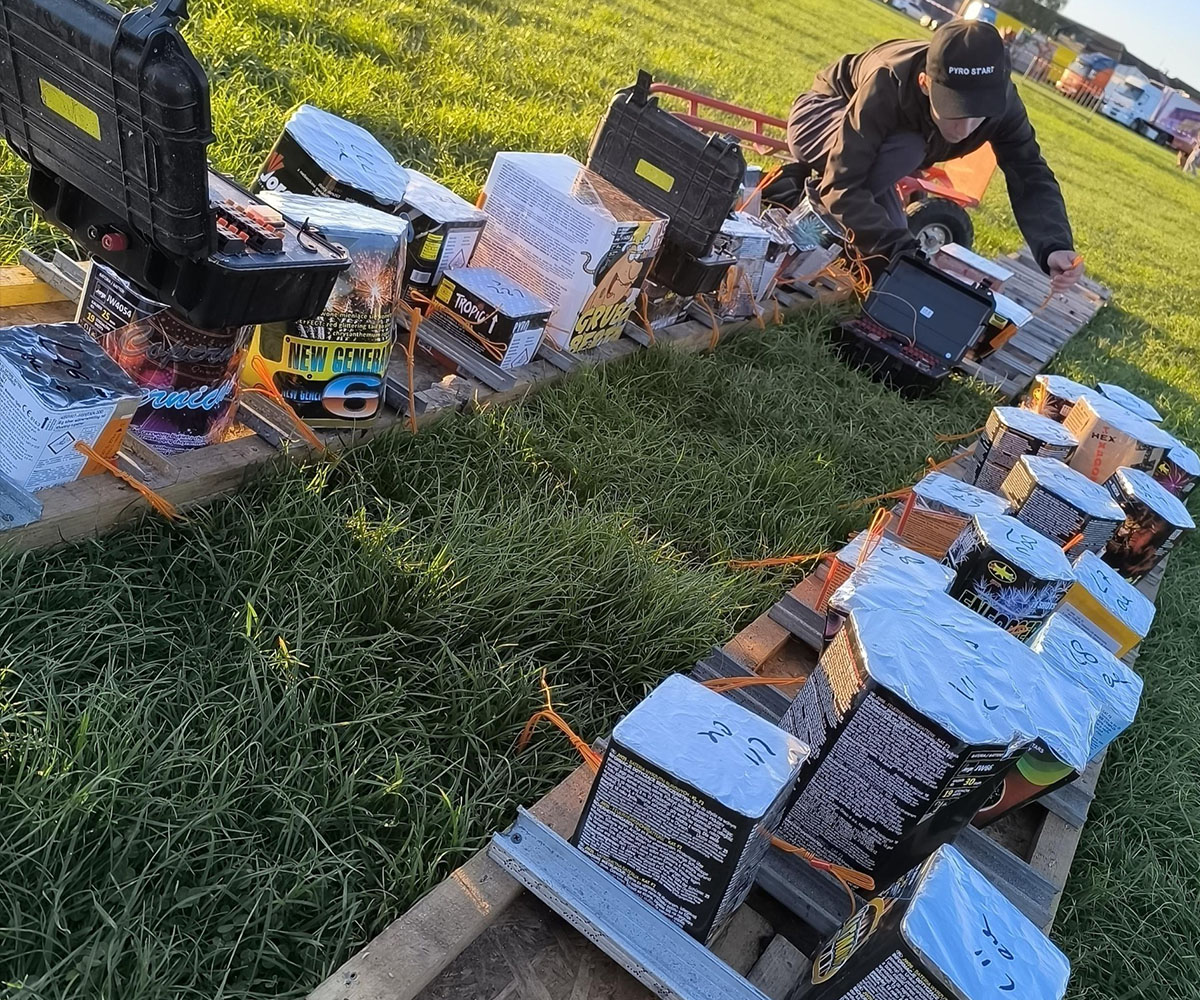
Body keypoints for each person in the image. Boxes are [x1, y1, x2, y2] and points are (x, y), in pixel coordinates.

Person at [782, 20, 1083, 292]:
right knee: (906, 152)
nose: (964, 128)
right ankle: (800, 209)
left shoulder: (1003, 101)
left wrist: (1053, 245)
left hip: (885, 156)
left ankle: (850, 241)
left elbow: (1029, 170)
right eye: (953, 110)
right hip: (822, 116)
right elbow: (843, 185)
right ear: (925, 84)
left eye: (977, 114)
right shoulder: (888, 79)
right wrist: (903, 251)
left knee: (894, 255)